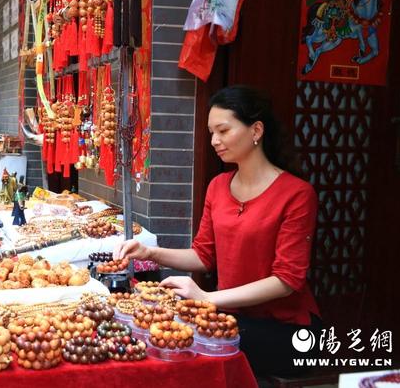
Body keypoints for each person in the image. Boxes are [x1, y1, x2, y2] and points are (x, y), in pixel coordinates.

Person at [114, 85, 322, 377]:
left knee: (188, 349)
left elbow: (287, 280)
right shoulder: (218, 186)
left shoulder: (297, 194)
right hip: (228, 316)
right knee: (155, 333)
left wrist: (209, 298)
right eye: (212, 132)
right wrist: (150, 253)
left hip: (285, 329)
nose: (214, 141)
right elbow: (204, 255)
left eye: (223, 131)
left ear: (256, 130)